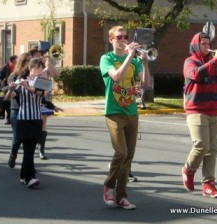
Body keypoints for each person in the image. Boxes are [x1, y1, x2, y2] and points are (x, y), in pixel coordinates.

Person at [99, 25, 151, 210]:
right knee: (120, 152)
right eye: (119, 37)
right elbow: (117, 77)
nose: (123, 39)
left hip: (131, 112)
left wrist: (144, 62)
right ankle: (108, 185)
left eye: (125, 36)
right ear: (111, 40)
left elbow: (145, 84)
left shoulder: (136, 61)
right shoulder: (107, 59)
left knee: (128, 156)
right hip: (113, 111)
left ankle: (122, 196)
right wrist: (130, 56)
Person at [182, 32, 217, 198]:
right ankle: (188, 170)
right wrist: (216, 59)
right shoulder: (190, 61)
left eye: (208, 43)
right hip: (196, 109)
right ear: (196, 45)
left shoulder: (216, 62)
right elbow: (197, 75)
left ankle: (208, 183)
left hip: (214, 110)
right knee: (201, 145)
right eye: (203, 43)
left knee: (212, 149)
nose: (207, 46)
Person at [5, 58, 61, 187]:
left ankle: (24, 175)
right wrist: (11, 89)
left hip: (36, 119)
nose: (40, 71)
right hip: (23, 119)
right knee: (28, 149)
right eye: (37, 69)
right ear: (30, 69)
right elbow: (8, 98)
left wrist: (28, 87)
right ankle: (30, 177)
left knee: (30, 149)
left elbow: (41, 95)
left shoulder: (43, 82)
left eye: (41, 69)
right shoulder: (21, 81)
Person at [29, 45, 60, 159]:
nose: (39, 55)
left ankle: (41, 148)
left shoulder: (45, 64)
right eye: (36, 53)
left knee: (43, 123)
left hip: (45, 96)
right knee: (32, 123)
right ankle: (32, 144)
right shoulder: (30, 65)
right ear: (32, 54)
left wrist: (48, 64)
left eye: (40, 53)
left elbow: (56, 74)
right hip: (32, 96)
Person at [6, 52, 32, 168]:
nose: (30, 63)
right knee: (18, 135)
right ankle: (13, 154)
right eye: (28, 61)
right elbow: (8, 95)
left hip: (30, 110)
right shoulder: (14, 76)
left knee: (30, 138)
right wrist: (12, 89)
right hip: (16, 109)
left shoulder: (33, 76)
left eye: (32, 60)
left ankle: (28, 165)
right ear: (22, 62)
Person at [0, 55, 17, 125]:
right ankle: (7, 118)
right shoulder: (5, 67)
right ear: (12, 61)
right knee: (6, 103)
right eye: (16, 60)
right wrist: (3, 80)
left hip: (14, 86)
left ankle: (10, 118)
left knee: (11, 103)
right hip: (6, 87)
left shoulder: (17, 67)